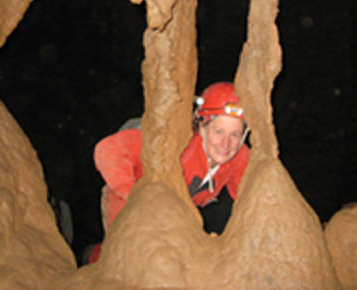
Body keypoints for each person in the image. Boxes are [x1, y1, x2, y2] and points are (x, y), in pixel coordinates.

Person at [87, 82, 250, 263]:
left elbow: (248, 199)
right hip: (128, 201)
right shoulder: (177, 141)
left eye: (234, 134)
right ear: (202, 127)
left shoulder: (239, 157)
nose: (226, 144)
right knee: (135, 260)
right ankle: (95, 259)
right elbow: (108, 150)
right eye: (219, 131)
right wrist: (134, 196)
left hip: (173, 214)